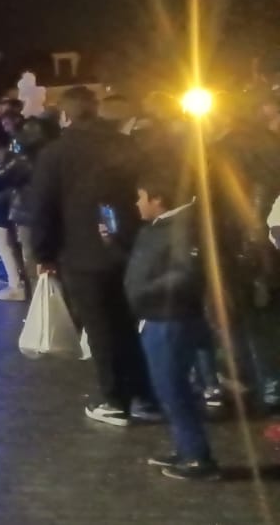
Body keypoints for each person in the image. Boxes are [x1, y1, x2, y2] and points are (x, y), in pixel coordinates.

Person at [29, 86, 156, 425]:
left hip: (82, 252)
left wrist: (43, 253)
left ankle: (115, 399)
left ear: (65, 115)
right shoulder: (125, 144)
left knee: (100, 328)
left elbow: (42, 207)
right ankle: (145, 394)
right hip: (128, 247)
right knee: (128, 325)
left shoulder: (55, 153)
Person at [125, 162, 219, 480]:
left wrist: (144, 293)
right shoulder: (164, 226)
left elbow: (185, 273)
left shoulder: (181, 227)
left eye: (141, 197)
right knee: (168, 388)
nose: (137, 204)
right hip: (159, 317)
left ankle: (197, 459)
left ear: (158, 199)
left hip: (170, 319)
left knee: (173, 388)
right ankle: (186, 449)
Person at [0, 128, 32, 301]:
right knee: (11, 248)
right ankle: (19, 283)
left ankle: (16, 286)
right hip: (12, 210)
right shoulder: (16, 160)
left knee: (5, 248)